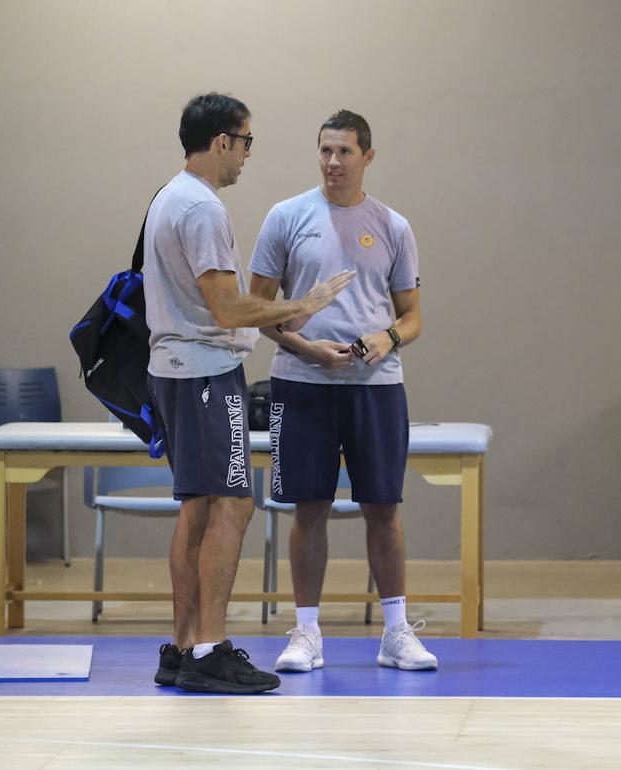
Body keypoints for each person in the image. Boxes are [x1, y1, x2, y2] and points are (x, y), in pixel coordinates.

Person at [144, 93, 354, 694]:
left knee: (198, 507)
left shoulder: (166, 196)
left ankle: (182, 649)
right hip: (207, 371)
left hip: (174, 367)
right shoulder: (203, 208)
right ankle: (209, 648)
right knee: (233, 505)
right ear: (222, 143)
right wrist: (302, 304)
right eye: (246, 143)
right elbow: (227, 305)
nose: (247, 156)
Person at [249, 109, 435, 674]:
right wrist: (306, 349)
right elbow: (257, 310)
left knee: (383, 506)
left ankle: (396, 631)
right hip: (301, 383)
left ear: (368, 156)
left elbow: (413, 317)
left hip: (375, 386)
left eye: (345, 152)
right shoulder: (285, 218)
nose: (333, 163)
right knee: (309, 509)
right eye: (325, 151)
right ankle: (306, 633)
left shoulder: (393, 226)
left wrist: (387, 338)